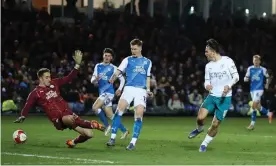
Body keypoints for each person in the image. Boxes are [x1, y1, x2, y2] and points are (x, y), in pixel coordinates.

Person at [14, 50, 105, 148]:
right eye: (47, 77)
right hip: (58, 119)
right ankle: (94, 125)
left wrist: (77, 65)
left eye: (49, 77)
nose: (49, 79)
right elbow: (28, 104)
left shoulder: (54, 83)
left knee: (89, 134)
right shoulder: (35, 93)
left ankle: (73, 142)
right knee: (69, 119)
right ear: (40, 78)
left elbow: (69, 78)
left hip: (68, 113)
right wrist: (23, 116)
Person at [188, 39, 239, 152]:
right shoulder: (208, 66)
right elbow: (206, 81)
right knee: (200, 118)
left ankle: (204, 144)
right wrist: (207, 86)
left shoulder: (227, 61)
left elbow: (236, 77)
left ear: (213, 51)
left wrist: (229, 85)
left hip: (224, 99)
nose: (205, 54)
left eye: (206, 51)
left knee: (215, 124)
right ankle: (199, 129)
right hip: (212, 96)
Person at [106, 39, 153, 150]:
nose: (133, 51)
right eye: (131, 49)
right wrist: (112, 78)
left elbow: (148, 77)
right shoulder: (127, 60)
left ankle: (133, 142)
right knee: (119, 111)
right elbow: (118, 71)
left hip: (141, 90)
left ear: (140, 48)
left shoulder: (147, 62)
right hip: (128, 88)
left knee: (138, 115)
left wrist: (148, 89)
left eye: (135, 49)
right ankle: (112, 138)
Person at [91, 48, 129, 138]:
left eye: (109, 56)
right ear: (103, 56)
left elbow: (122, 79)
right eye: (105, 55)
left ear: (111, 58)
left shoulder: (114, 68)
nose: (107, 57)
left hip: (109, 93)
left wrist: (119, 89)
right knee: (110, 114)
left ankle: (107, 126)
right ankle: (124, 130)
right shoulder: (98, 66)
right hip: (102, 93)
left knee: (95, 107)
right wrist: (95, 80)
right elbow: (92, 79)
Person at [244, 55, 273, 130]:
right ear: (253, 61)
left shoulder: (263, 69)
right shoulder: (250, 68)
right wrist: (245, 79)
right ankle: (269, 113)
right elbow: (246, 77)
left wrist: (267, 84)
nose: (256, 62)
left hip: (259, 89)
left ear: (260, 61)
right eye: (254, 60)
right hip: (252, 90)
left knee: (253, 105)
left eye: (257, 60)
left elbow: (268, 77)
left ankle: (252, 124)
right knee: (258, 107)